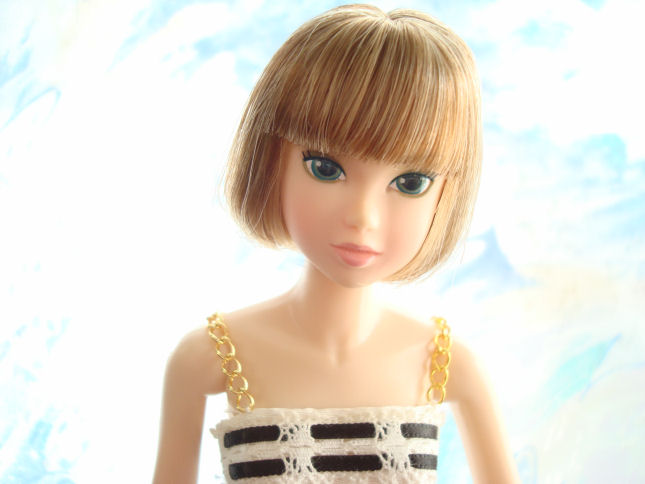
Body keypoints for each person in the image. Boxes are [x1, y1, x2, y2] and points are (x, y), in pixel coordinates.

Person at [153, 4, 519, 483]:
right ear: (271, 160)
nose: (363, 217)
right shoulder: (208, 356)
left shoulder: (449, 363)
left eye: (410, 183)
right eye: (326, 169)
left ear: (447, 191)